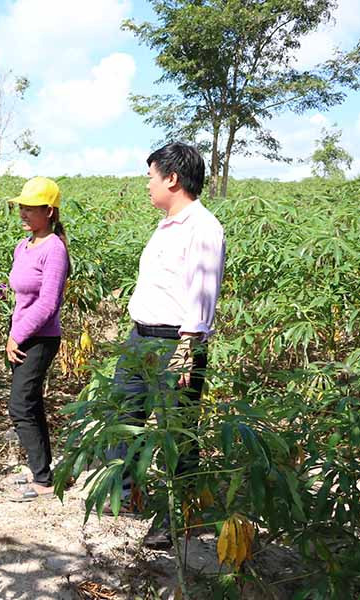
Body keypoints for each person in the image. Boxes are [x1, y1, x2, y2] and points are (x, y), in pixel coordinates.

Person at [107, 142, 225, 548]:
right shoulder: (167, 224)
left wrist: (188, 348)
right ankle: (126, 496)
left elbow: (203, 291)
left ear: (172, 178)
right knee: (124, 416)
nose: (147, 185)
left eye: (151, 177)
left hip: (176, 341)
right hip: (140, 337)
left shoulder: (202, 226)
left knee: (176, 434)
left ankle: (178, 519)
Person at [4, 176, 71, 502]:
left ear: (49, 211)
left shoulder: (54, 249)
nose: (23, 213)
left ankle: (42, 481)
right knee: (30, 405)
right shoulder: (24, 245)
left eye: (30, 208)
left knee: (20, 406)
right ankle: (41, 471)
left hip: (40, 339)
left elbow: (48, 303)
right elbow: (17, 290)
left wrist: (16, 336)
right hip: (22, 336)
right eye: (21, 207)